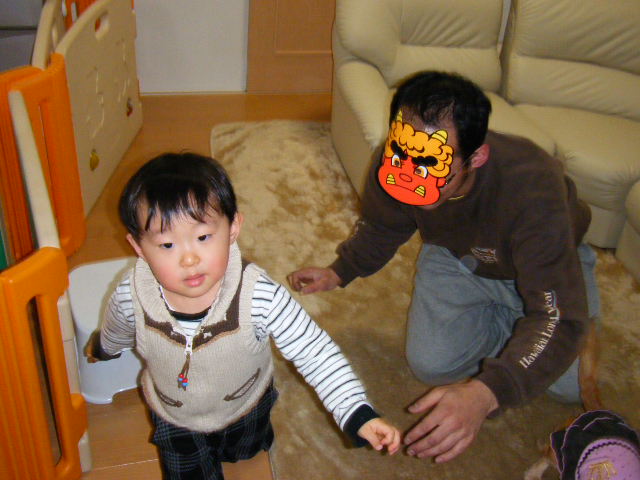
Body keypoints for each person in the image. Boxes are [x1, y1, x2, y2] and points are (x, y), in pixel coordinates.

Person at [288, 71, 600, 463]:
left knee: (568, 385)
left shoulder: (533, 187)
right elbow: (383, 225)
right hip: (459, 255)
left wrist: (486, 393)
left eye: (432, 169)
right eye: (400, 156)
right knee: (431, 365)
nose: (410, 179)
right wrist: (341, 270)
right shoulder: (400, 154)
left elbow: (559, 318)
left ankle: (537, 316)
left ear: (477, 157)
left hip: (541, 262)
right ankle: (523, 325)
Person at [85, 152, 400, 479]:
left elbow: (314, 351)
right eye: (167, 245)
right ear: (138, 247)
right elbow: (118, 325)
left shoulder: (260, 296)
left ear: (233, 228)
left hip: (246, 403)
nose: (189, 259)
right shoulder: (132, 294)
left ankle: (241, 445)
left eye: (203, 237)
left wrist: (356, 411)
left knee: (245, 449)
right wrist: (105, 348)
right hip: (175, 418)